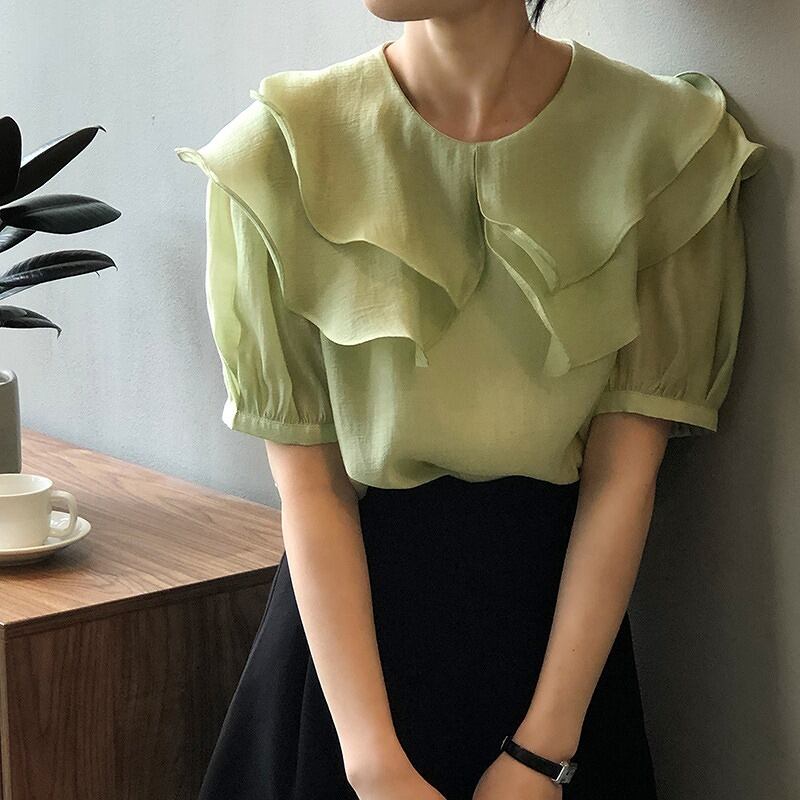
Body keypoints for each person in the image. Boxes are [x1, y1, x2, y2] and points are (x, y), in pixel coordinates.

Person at [174, 2, 767, 798]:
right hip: (346, 675)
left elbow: (625, 477)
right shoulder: (281, 147)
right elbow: (311, 490)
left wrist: (542, 754)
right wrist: (373, 764)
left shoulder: (665, 144)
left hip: (556, 654)